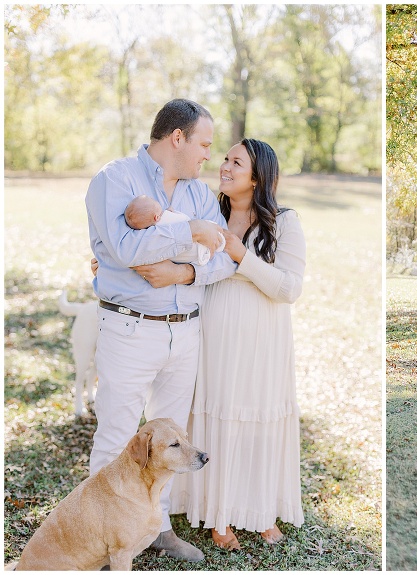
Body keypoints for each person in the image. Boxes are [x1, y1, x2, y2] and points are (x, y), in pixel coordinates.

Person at [84, 98, 237, 562]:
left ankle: (158, 530)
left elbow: (224, 259)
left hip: (185, 331)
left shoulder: (200, 194)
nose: (208, 156)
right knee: (115, 437)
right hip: (129, 330)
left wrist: (183, 273)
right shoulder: (113, 180)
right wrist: (191, 233)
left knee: (172, 444)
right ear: (178, 138)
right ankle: (99, 537)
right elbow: (126, 249)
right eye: (204, 145)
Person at [170, 138, 306, 550]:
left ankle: (261, 510)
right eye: (224, 159)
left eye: (235, 162)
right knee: (218, 416)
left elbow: (289, 288)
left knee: (259, 419)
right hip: (212, 334)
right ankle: (220, 512)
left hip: (262, 338)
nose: (224, 166)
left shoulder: (284, 222)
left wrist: (240, 256)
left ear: (257, 176)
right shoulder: (209, 216)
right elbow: (177, 257)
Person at [124, 194, 225, 265]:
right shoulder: (166, 217)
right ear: (156, 217)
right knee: (213, 230)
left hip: (182, 257)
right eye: (154, 202)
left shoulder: (151, 233)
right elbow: (184, 220)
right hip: (196, 246)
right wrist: (171, 212)